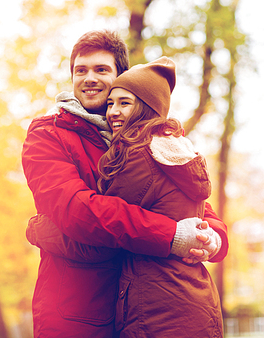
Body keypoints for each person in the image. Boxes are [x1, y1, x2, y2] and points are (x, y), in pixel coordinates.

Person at [22, 30, 228, 337]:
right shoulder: (49, 133)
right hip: (78, 313)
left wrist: (213, 236)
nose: (89, 78)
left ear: (120, 76)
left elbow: (186, 199)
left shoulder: (140, 139)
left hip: (139, 306)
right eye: (81, 70)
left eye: (101, 70)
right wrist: (171, 235)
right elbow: (76, 210)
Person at [98, 56, 223, 337]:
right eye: (111, 103)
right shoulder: (174, 151)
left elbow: (105, 222)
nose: (113, 112)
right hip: (195, 296)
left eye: (124, 103)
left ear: (146, 108)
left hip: (157, 304)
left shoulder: (138, 157)